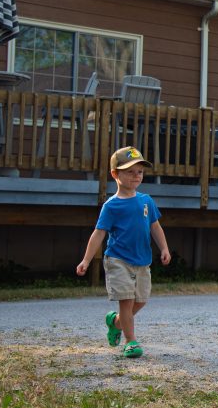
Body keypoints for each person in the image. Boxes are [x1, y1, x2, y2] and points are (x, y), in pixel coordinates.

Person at [76, 146, 171, 358]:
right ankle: (130, 341)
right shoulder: (111, 206)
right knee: (126, 301)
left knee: (141, 300)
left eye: (140, 171)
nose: (136, 176)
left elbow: (155, 227)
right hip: (118, 260)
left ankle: (116, 322)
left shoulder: (146, 200)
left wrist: (164, 248)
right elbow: (99, 234)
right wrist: (86, 260)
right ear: (115, 174)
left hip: (142, 260)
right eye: (130, 171)